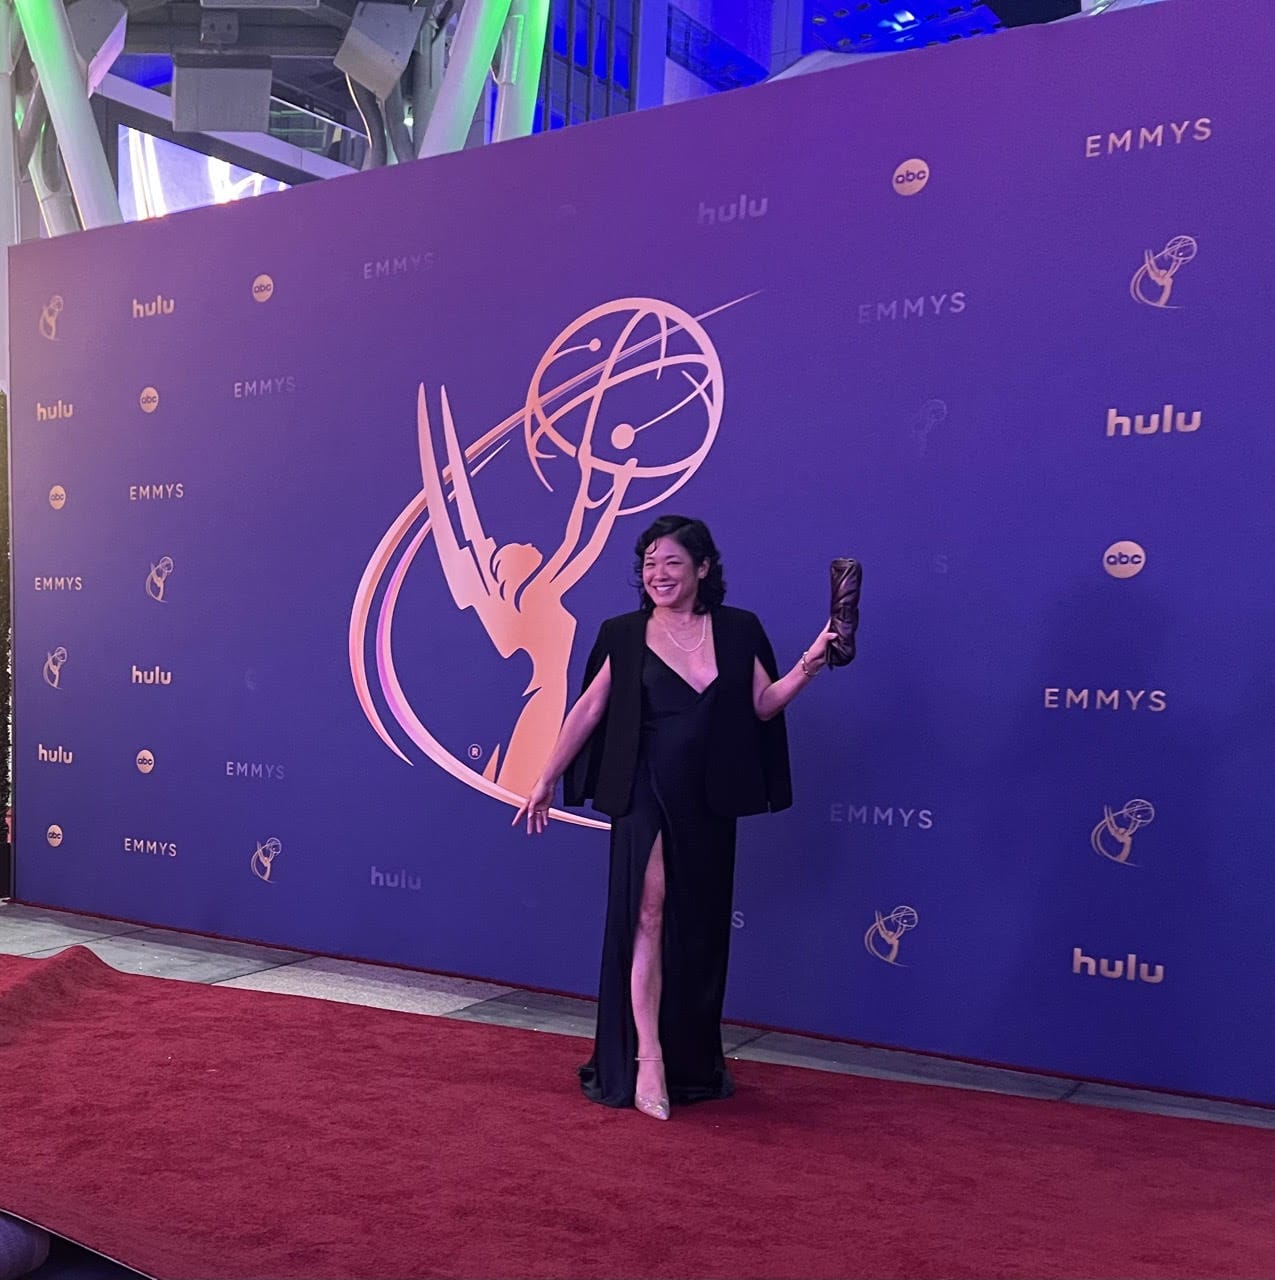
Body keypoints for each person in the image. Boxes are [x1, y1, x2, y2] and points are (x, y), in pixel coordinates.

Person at [514, 515, 835, 1120]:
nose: (658, 575)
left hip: (710, 798)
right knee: (650, 913)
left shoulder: (739, 630)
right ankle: (648, 1060)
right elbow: (588, 709)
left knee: (698, 926)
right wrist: (545, 776)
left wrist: (811, 661)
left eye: (673, 563)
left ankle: (691, 1058)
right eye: (649, 564)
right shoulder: (624, 633)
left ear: (704, 568)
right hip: (644, 789)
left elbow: (763, 705)